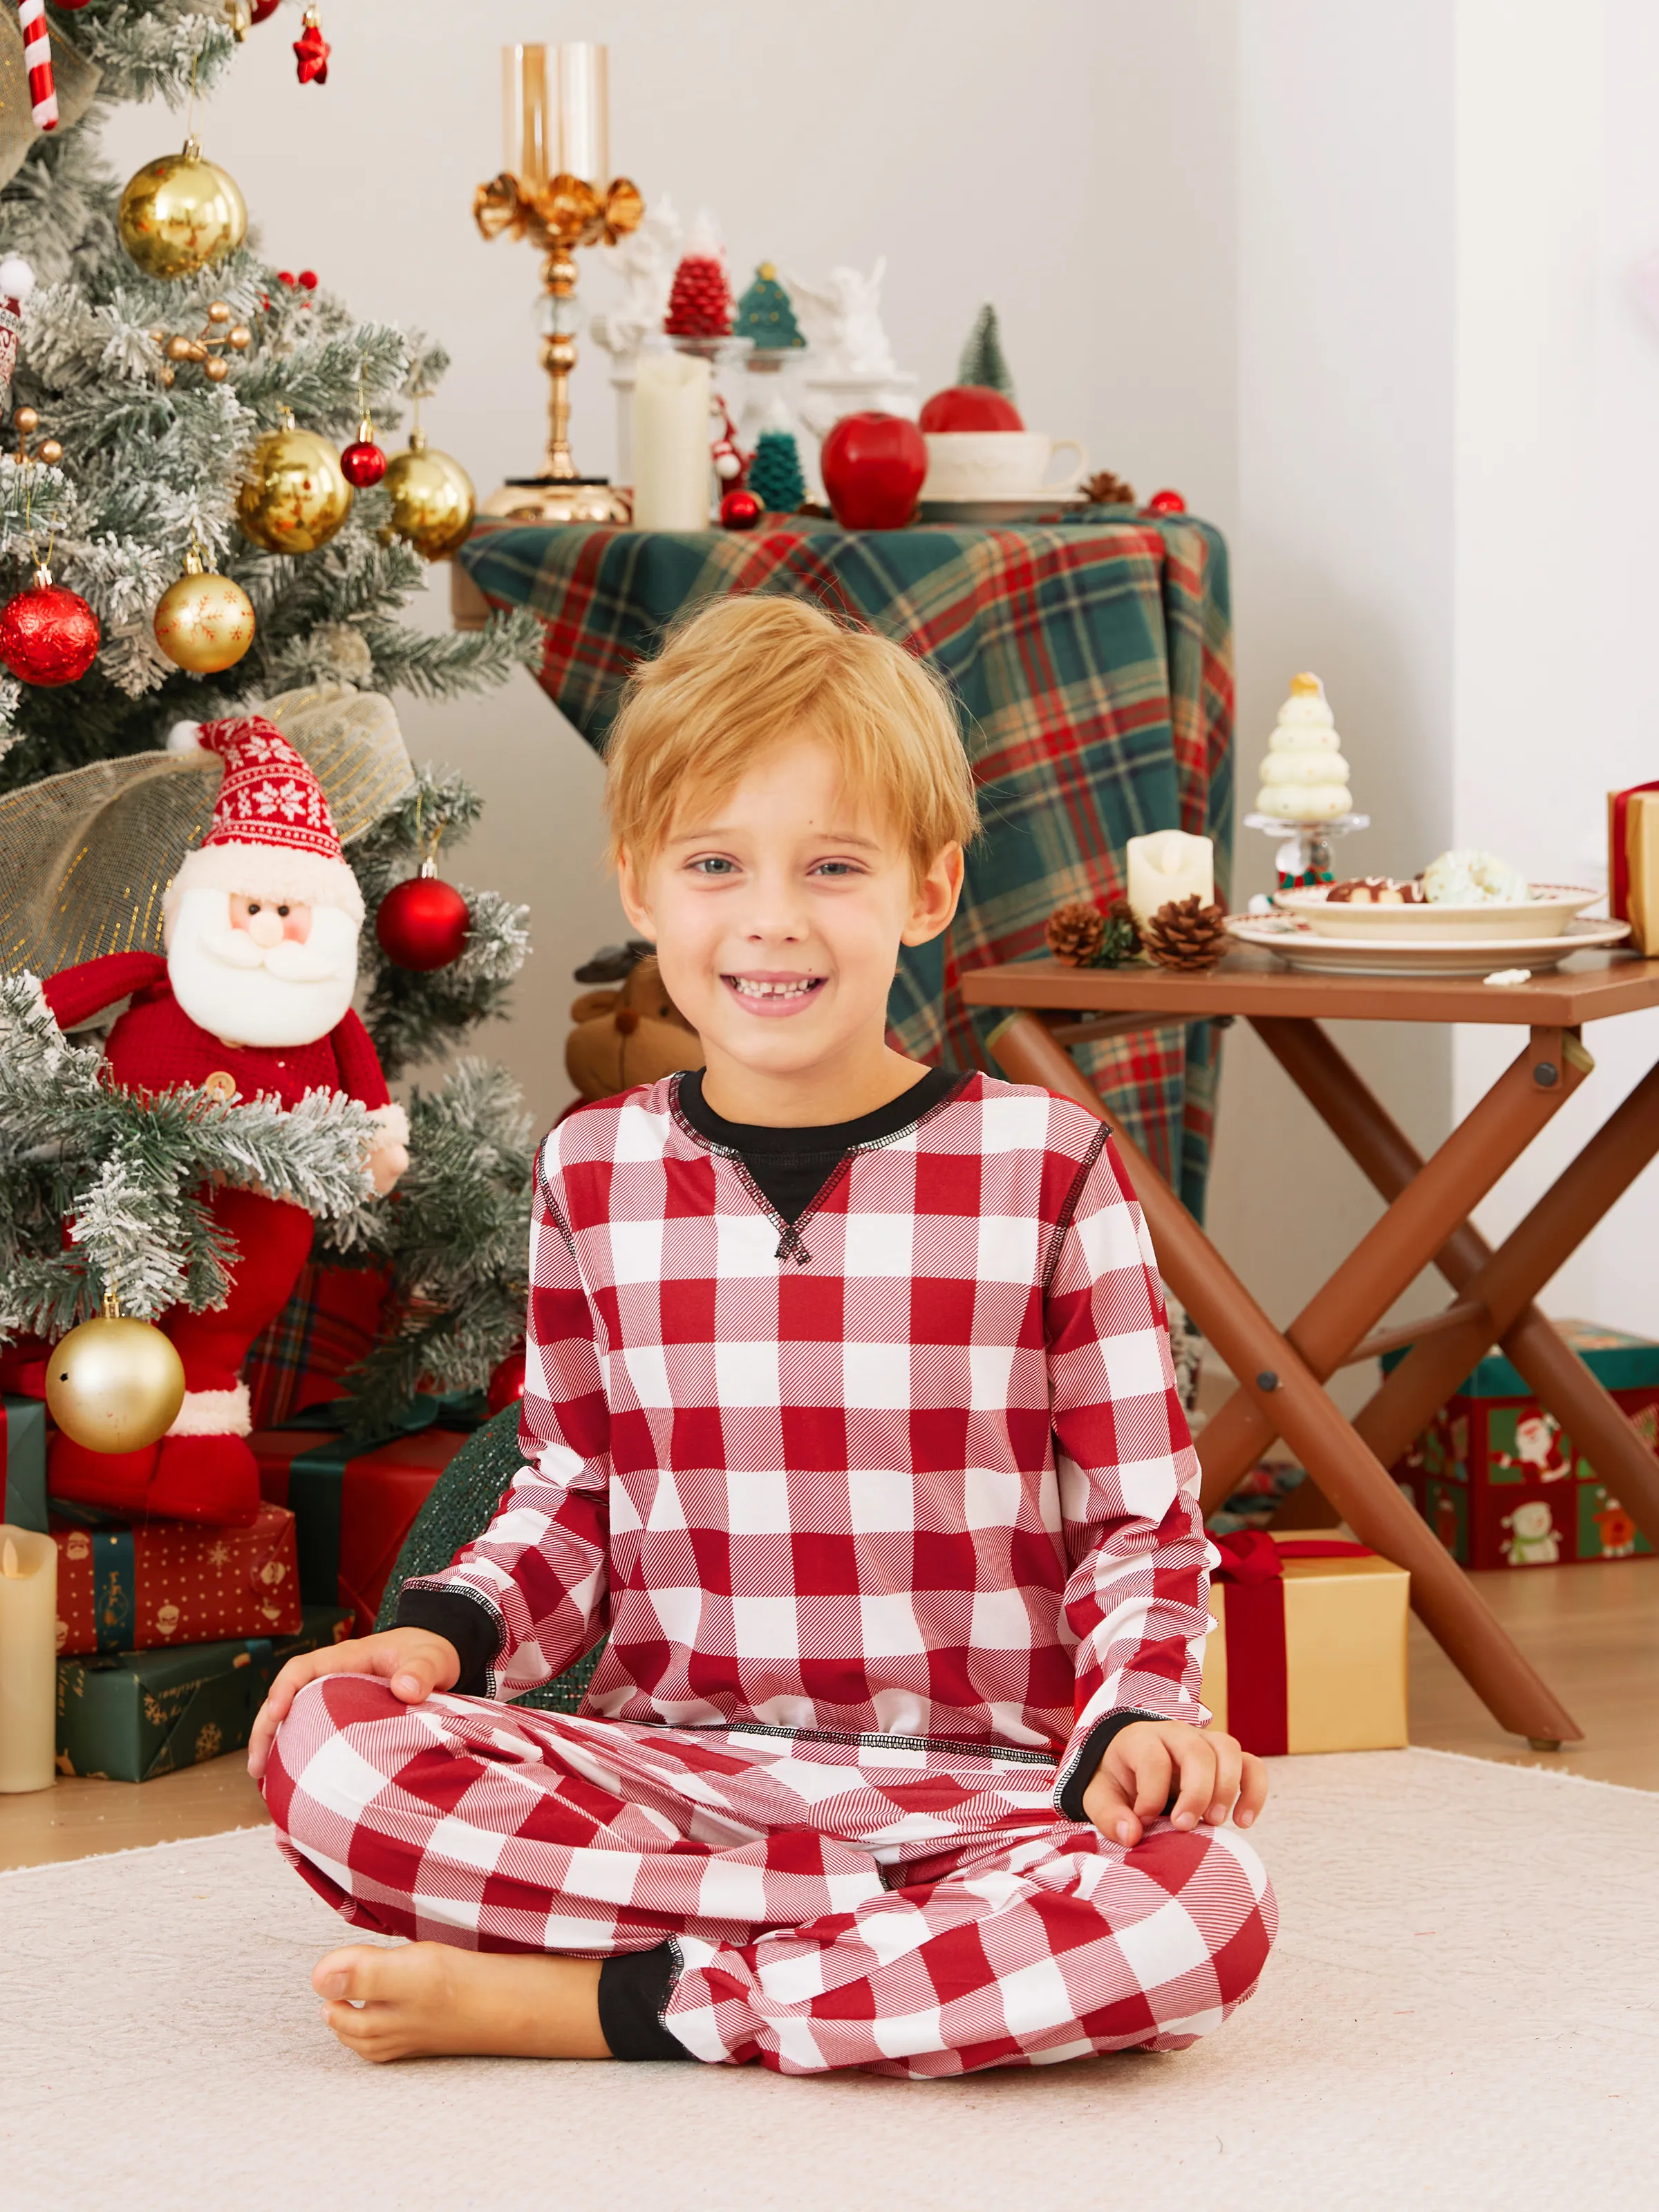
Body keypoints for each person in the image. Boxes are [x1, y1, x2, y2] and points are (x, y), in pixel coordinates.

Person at [249, 595, 1275, 2078]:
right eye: (717, 865)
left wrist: (1137, 1723)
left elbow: (1141, 1522)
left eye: (834, 867)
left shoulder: (1050, 1165)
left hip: (986, 1788)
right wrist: (438, 1634)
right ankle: (882, 1957)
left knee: (1205, 1902)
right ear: (643, 888)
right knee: (329, 1745)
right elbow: (568, 1496)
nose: (773, 917)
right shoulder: (594, 1167)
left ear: (927, 892)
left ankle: (615, 2000)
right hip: (669, 1772)